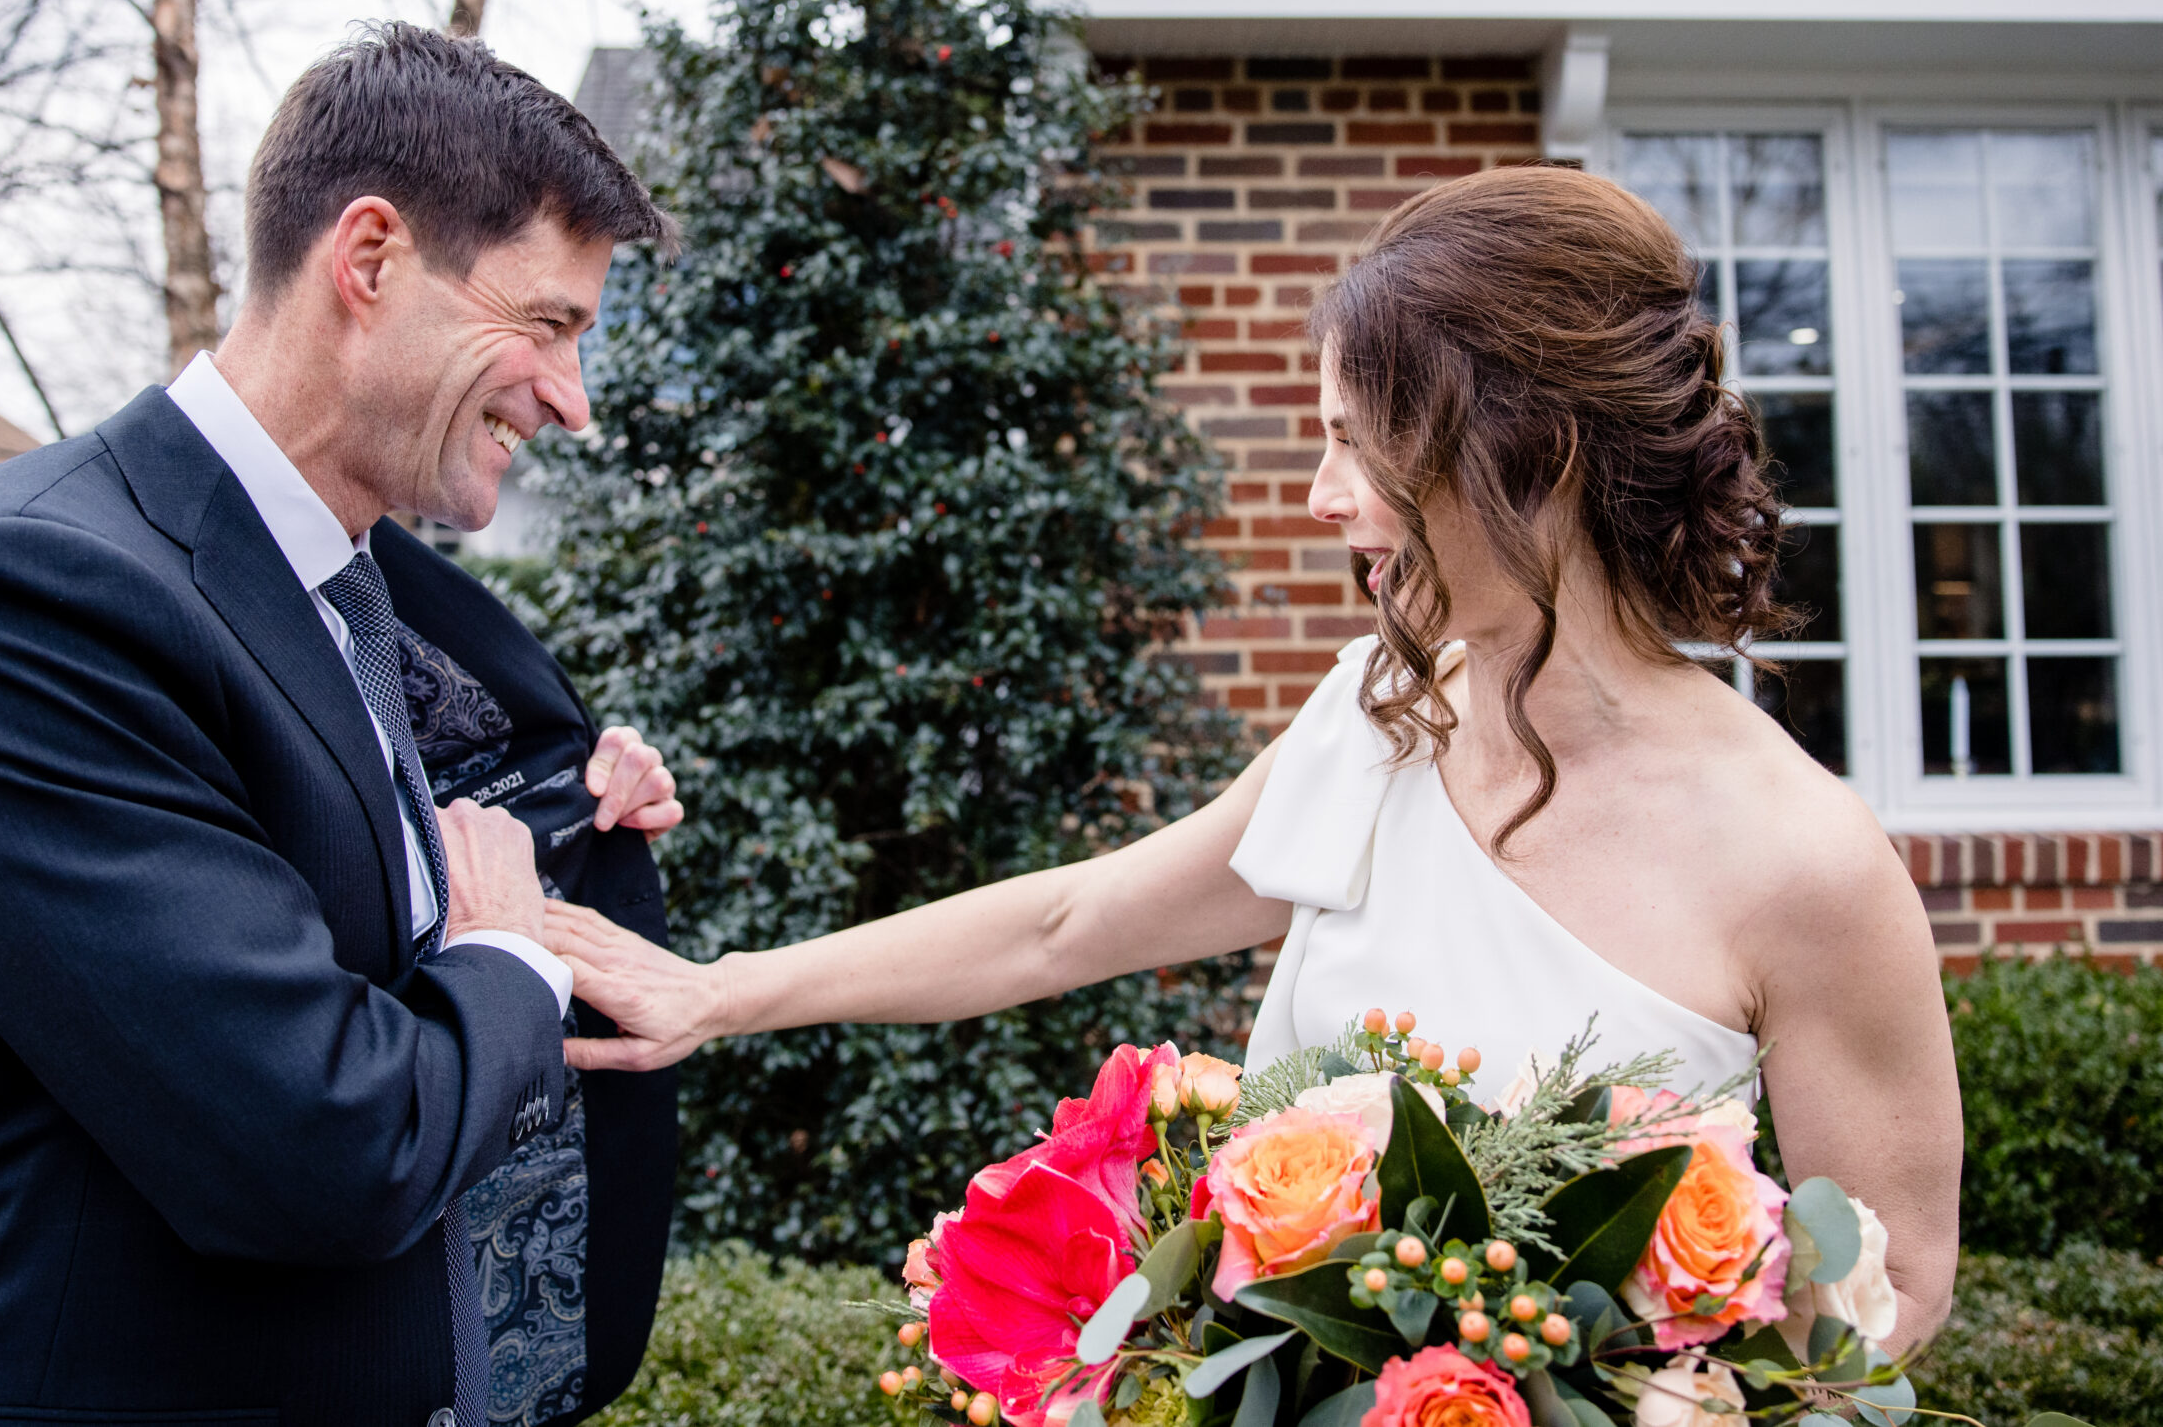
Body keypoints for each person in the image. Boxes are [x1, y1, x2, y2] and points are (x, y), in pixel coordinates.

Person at [543, 165, 1962, 1344]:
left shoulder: (1808, 864)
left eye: (1357, 442)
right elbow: (1064, 923)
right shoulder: (1377, 722)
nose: (1318, 492)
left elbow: (1892, 1288)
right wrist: (716, 996)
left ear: (1528, 450)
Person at [0, 25, 685, 1427]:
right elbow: (323, 1142)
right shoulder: (22, 597)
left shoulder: (379, 593)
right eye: (549, 325)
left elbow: (391, 877)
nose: (573, 402)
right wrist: (516, 954)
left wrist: (568, 820)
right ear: (370, 259)